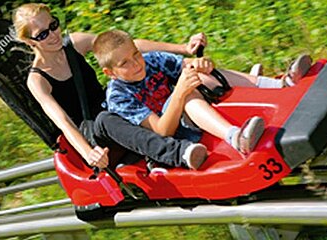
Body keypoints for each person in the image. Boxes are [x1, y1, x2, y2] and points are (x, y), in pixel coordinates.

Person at [12, 3, 209, 170]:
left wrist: (183, 48)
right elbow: (63, 122)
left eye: (53, 25)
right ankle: (179, 152)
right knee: (106, 119)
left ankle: (197, 118)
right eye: (42, 34)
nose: (53, 35)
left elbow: (121, 47)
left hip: (111, 107)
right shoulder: (37, 80)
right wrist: (89, 153)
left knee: (136, 70)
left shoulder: (74, 44)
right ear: (30, 41)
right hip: (93, 132)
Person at [93, 30, 312, 169]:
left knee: (200, 75)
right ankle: (235, 137)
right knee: (187, 92)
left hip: (189, 112)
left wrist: (201, 65)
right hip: (171, 134)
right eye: (125, 64)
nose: (137, 64)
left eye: (136, 55)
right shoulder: (118, 97)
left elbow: (188, 66)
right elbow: (161, 130)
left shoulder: (150, 60)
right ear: (110, 72)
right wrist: (179, 92)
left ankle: (278, 85)